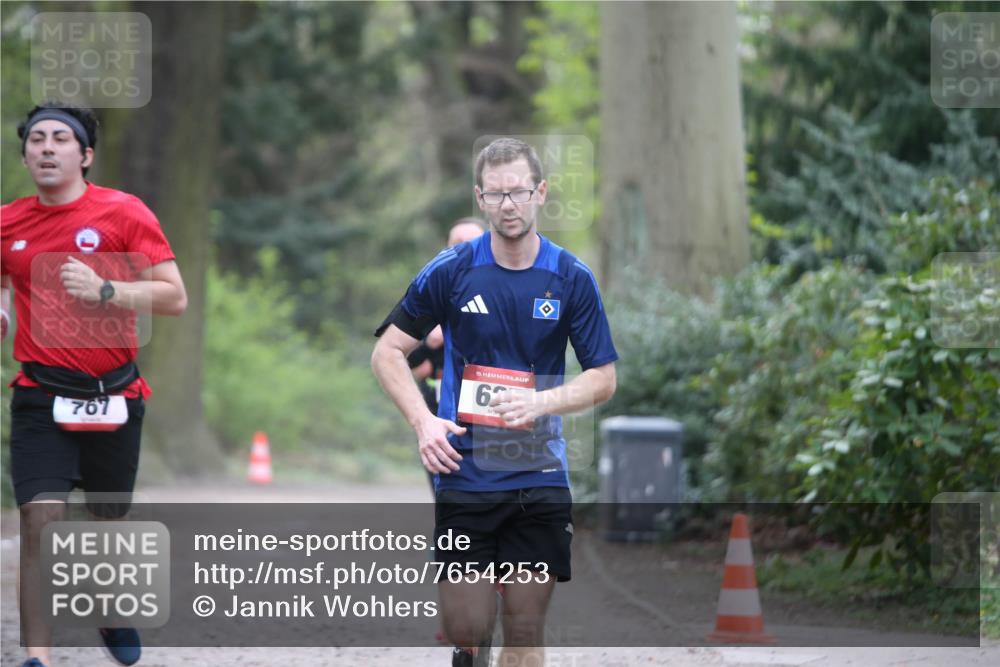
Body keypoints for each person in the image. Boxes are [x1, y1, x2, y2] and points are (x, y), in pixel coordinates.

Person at [371, 138, 617, 667]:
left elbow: (603, 378)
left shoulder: (571, 278)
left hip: (539, 474)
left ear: (540, 193)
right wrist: (424, 422)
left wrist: (542, 402)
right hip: (466, 472)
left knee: (525, 630)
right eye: (497, 193)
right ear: (481, 198)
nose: (509, 204)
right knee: (468, 628)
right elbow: (387, 352)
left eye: (519, 192)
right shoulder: (452, 270)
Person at [1, 102, 188, 667]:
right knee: (40, 520)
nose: (47, 148)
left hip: (113, 393)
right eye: (37, 139)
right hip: (39, 392)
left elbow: (173, 297)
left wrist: (108, 290)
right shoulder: (7, 221)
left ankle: (109, 608)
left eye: (61, 138)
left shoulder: (124, 213)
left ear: (84, 155)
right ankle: (39, 657)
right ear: (27, 153)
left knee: (109, 521)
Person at [404, 218, 485, 490]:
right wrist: (430, 341)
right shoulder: (433, 292)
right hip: (438, 416)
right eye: (456, 244)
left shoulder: (500, 293)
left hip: (489, 421)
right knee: (446, 495)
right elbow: (414, 366)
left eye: (471, 243)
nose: (463, 250)